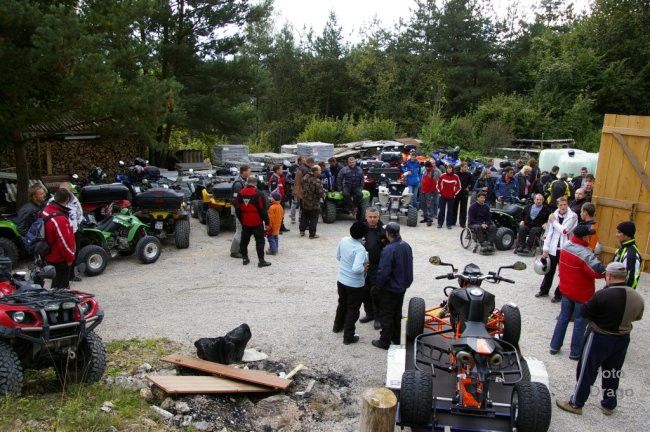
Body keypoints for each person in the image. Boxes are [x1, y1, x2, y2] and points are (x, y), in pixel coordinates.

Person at [556, 261, 644, 416]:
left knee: (587, 371)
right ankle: (609, 404)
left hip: (599, 337)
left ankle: (576, 403)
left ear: (609, 276)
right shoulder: (637, 297)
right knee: (612, 372)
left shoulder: (602, 295)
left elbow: (584, 313)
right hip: (622, 339)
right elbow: (638, 316)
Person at [549, 224, 606, 359]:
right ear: (585, 236)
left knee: (563, 317)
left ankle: (554, 346)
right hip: (582, 294)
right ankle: (575, 352)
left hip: (566, 290)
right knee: (580, 321)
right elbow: (597, 271)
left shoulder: (566, 246)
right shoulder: (585, 253)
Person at [371, 222, 413, 350]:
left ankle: (384, 341)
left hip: (390, 288)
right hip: (402, 286)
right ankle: (395, 337)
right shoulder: (406, 245)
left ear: (388, 233)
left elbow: (383, 271)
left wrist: (378, 286)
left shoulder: (389, 249)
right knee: (397, 313)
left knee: (387, 314)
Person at [535, 197, 578, 301]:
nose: (563, 207)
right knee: (549, 271)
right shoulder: (553, 215)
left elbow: (564, 231)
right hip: (553, 248)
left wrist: (554, 221)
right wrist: (545, 248)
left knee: (563, 273)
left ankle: (559, 294)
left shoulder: (573, 216)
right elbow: (548, 233)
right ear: (557, 206)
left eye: (565, 204)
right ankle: (544, 290)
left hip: (565, 249)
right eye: (561, 205)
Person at [333, 221, 369, 345]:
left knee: (342, 304)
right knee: (353, 309)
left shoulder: (343, 240)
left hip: (341, 279)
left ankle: (337, 326)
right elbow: (356, 269)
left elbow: (338, 257)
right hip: (355, 284)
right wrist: (365, 267)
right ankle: (348, 336)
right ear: (363, 235)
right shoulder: (360, 249)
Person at [42, 189, 76, 289]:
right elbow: (65, 241)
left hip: (48, 253)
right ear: (67, 200)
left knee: (55, 283)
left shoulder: (46, 210)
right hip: (59, 257)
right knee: (62, 287)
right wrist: (70, 258)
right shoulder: (59, 218)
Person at [359, 207, 386, 330]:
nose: (372, 219)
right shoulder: (361, 228)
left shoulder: (384, 230)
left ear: (378, 217)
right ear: (366, 217)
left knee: (377, 293)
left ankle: (378, 317)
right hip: (364, 266)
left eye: (374, 217)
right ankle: (369, 314)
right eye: (370, 217)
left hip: (378, 267)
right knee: (365, 291)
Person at [235, 176, 271, 268]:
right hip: (256, 221)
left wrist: (242, 220)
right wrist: (267, 222)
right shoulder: (259, 194)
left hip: (245, 221)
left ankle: (245, 259)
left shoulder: (240, 193)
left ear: (247, 182)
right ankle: (261, 261)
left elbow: (237, 210)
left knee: (244, 241)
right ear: (255, 183)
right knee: (260, 241)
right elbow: (263, 210)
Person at [56, 182, 83, 282]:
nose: (63, 193)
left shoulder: (75, 201)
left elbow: (80, 214)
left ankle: (71, 275)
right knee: (60, 254)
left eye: (66, 191)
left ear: (70, 191)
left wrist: (75, 226)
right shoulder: (52, 201)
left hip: (74, 231)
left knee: (74, 253)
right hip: (60, 232)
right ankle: (59, 275)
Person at [612, 221, 643, 289]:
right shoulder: (622, 248)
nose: (616, 235)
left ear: (627, 234)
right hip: (614, 289)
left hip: (621, 293)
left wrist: (624, 293)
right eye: (616, 232)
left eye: (619, 232)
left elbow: (631, 279)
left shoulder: (631, 254)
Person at [230, 165, 251, 259]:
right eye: (248, 171)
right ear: (243, 172)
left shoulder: (244, 181)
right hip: (238, 210)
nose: (250, 173)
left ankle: (239, 248)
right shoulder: (238, 184)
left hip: (242, 209)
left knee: (242, 230)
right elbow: (236, 200)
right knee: (239, 230)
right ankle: (234, 251)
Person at [300, 165, 324, 239]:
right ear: (316, 171)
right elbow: (320, 193)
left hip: (304, 200)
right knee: (314, 218)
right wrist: (322, 195)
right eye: (320, 170)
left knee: (304, 216)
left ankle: (302, 231)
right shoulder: (317, 181)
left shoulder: (305, 177)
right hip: (314, 203)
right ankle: (312, 234)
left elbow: (302, 187)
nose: (321, 171)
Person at [437, 164, 461, 229]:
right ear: (446, 169)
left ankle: (449, 224)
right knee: (441, 210)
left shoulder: (456, 177)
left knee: (450, 211)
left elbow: (459, 187)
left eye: (450, 168)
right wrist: (439, 192)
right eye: (447, 168)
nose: (449, 169)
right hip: (443, 196)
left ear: (452, 169)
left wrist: (454, 193)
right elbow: (438, 184)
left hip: (451, 197)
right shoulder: (442, 176)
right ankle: (440, 223)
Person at [291, 157, 313, 224]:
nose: (303, 162)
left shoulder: (301, 167)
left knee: (298, 204)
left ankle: (297, 218)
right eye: (302, 160)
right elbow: (306, 181)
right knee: (297, 204)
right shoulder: (305, 169)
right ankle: (295, 218)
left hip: (297, 189)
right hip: (301, 190)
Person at [453, 162, 472, 228]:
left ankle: (462, 223)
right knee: (454, 206)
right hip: (457, 192)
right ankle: (453, 221)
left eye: (466, 167)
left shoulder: (469, 174)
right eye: (464, 167)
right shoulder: (456, 174)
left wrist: (468, 188)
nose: (466, 168)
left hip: (464, 192)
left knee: (463, 208)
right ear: (461, 167)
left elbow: (471, 183)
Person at [419, 161, 439, 226]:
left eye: (427, 166)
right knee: (423, 205)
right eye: (426, 166)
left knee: (429, 206)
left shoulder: (435, 172)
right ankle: (425, 218)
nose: (427, 167)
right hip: (423, 191)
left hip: (429, 192)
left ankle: (430, 219)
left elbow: (435, 183)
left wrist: (431, 191)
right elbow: (423, 180)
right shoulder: (425, 171)